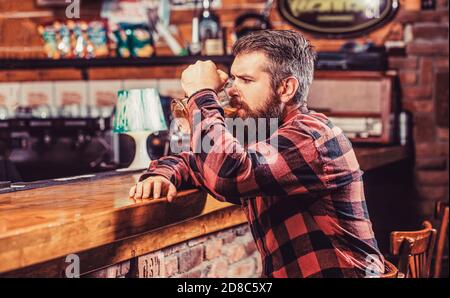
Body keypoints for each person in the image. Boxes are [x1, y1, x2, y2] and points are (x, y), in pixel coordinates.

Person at [129, 30, 384, 278]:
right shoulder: (267, 135)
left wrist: (202, 94)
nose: (231, 90)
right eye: (234, 79)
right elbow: (199, 162)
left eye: (247, 81)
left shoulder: (311, 136)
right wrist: (163, 175)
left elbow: (227, 174)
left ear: (286, 88)